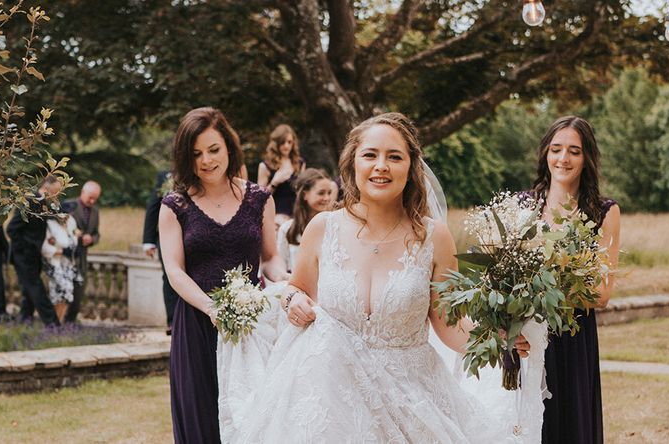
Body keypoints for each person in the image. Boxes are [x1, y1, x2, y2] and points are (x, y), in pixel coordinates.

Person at [221, 112, 530, 443]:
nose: (381, 166)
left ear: (411, 168)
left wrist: (496, 339)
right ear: (353, 163)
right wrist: (294, 299)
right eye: (370, 155)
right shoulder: (323, 228)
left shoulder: (434, 237)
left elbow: (447, 322)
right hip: (331, 398)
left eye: (394, 157)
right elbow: (296, 288)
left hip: (410, 399)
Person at [159, 107, 287, 444]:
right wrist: (211, 307)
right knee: (202, 422)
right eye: (196, 153)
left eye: (213, 150)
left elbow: (271, 258)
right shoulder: (175, 205)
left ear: (229, 147)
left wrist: (287, 285)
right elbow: (174, 270)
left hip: (252, 326)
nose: (206, 161)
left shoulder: (260, 199)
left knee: (254, 420)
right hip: (199, 326)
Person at [529, 115, 621, 444]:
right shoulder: (525, 206)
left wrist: (540, 285)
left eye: (574, 151)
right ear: (545, 154)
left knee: (570, 426)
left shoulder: (603, 211)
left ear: (587, 158)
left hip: (572, 336)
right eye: (556, 149)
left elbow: (600, 293)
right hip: (526, 335)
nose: (563, 159)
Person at [6, 175, 62, 327]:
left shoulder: (44, 204)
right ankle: (53, 324)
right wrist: (25, 250)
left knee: (29, 290)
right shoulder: (29, 201)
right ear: (46, 188)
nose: (56, 196)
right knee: (37, 289)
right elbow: (12, 229)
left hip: (34, 255)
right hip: (24, 256)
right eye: (55, 192)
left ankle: (25, 320)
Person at [142, 170, 179, 334]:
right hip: (166, 236)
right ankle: (172, 321)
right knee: (169, 277)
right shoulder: (165, 177)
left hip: (192, 234)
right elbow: (153, 206)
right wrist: (148, 241)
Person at [277, 168, 335, 272]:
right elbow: (280, 267)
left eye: (329, 193)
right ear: (304, 194)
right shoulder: (287, 229)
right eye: (321, 193)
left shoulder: (335, 225)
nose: (327, 198)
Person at [62, 180, 101, 323]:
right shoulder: (68, 205)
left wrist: (92, 239)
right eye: (90, 197)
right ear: (83, 192)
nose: (92, 201)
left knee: (78, 295)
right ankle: (56, 323)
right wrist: (76, 236)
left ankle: (70, 323)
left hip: (82, 260)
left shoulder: (96, 211)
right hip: (66, 258)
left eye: (95, 198)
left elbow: (97, 234)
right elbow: (59, 228)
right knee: (63, 293)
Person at [257, 124, 305, 227]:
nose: (286, 146)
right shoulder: (265, 166)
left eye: (289, 142)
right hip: (275, 217)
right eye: (282, 142)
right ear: (276, 143)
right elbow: (259, 198)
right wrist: (274, 183)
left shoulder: (299, 163)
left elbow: (302, 193)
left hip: (296, 216)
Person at [41, 212, 80, 323]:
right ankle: (54, 322)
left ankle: (58, 322)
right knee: (62, 291)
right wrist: (62, 251)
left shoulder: (71, 223)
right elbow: (46, 247)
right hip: (54, 264)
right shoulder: (50, 225)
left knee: (65, 295)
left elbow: (73, 240)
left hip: (68, 265)